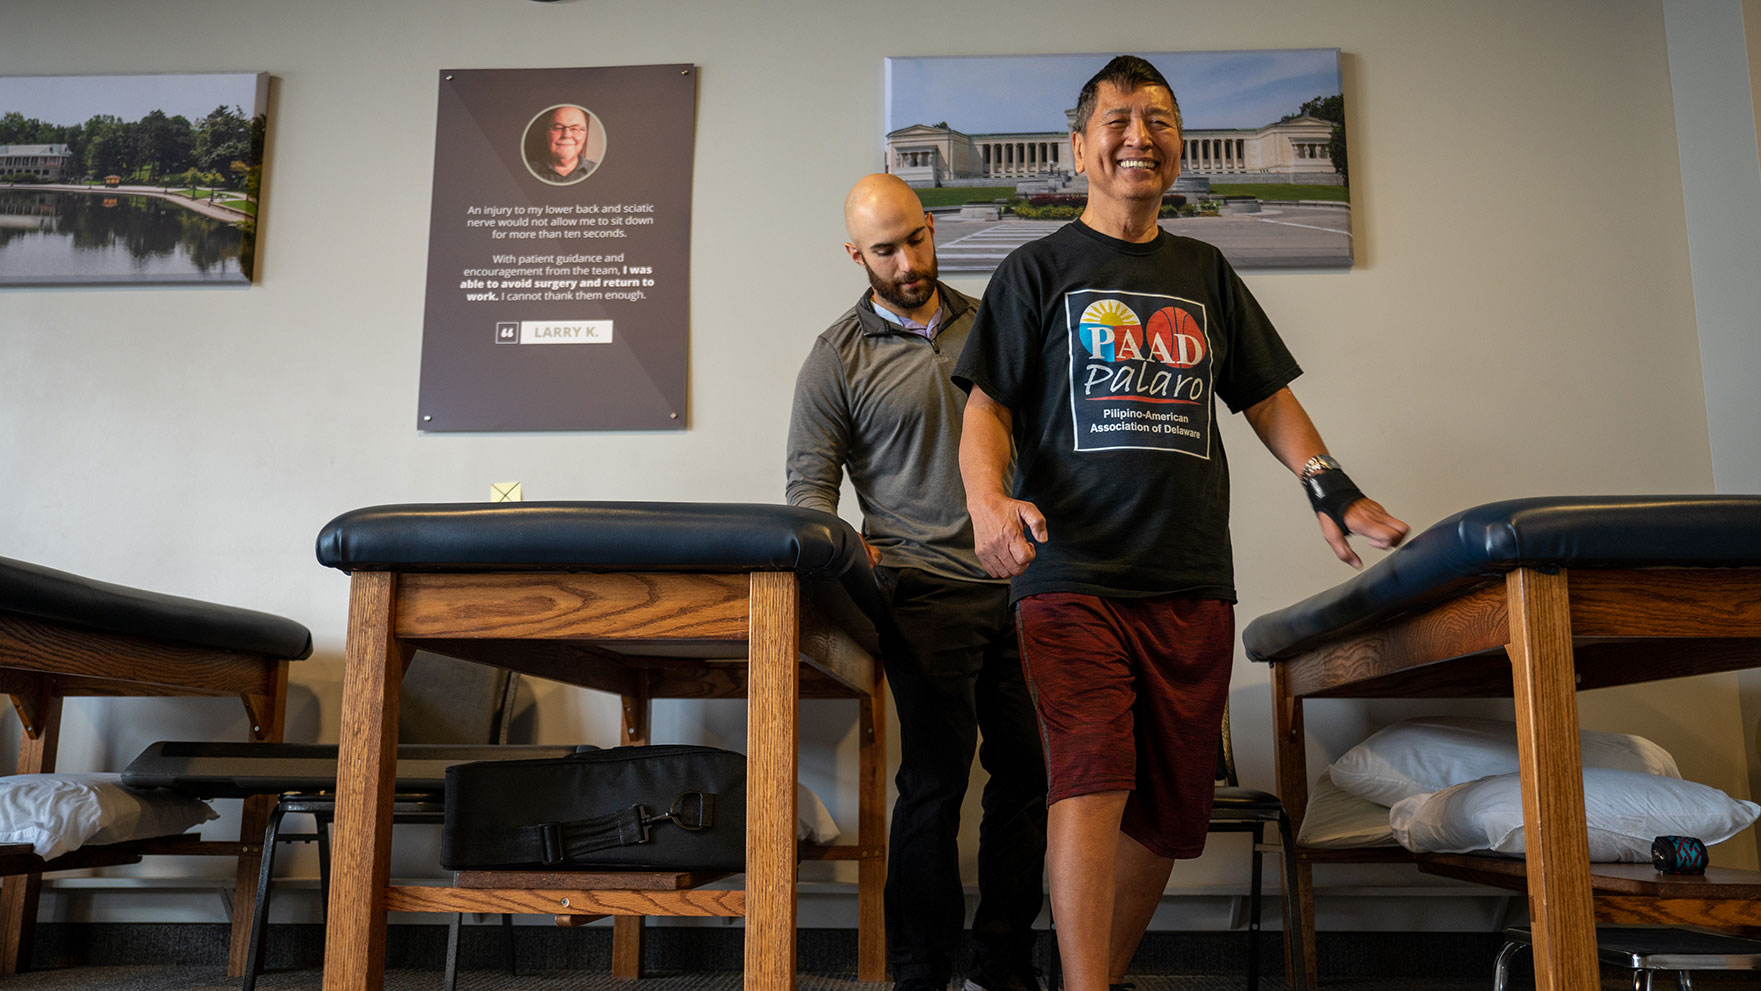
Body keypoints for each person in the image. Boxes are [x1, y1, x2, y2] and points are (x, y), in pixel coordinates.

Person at [951, 57, 1409, 991]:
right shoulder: (1035, 269)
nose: (1139, 136)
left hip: (1190, 579)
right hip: (1071, 574)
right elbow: (985, 408)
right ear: (1077, 146)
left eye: (1158, 119)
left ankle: (1094, 978)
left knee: (1167, 814)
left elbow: (1265, 398)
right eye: (1117, 119)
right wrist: (987, 500)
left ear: (1179, 143)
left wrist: (1327, 482)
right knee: (1090, 774)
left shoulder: (1203, 270)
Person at [787, 173, 1049, 991]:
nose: (907, 262)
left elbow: (1046, 440)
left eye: (915, 239)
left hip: (1024, 583)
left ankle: (1002, 963)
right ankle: (920, 970)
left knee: (1029, 777)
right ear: (855, 255)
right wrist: (849, 553)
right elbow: (808, 493)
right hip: (923, 589)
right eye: (885, 251)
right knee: (934, 782)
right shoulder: (835, 356)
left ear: (931, 226)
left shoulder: (990, 325)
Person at [527, 105, 597, 184]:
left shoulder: (600, 173)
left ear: (585, 135)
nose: (566, 135)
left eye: (575, 129)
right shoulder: (526, 171)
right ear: (547, 134)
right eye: (558, 128)